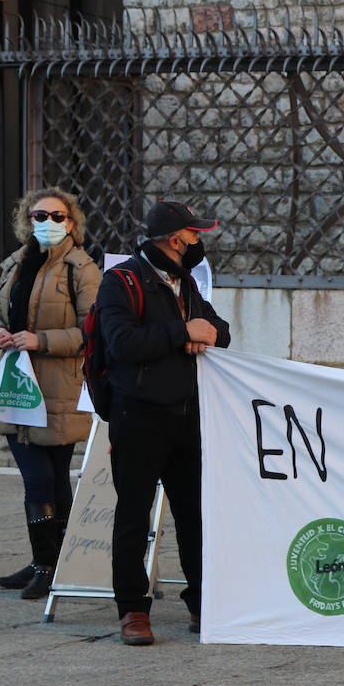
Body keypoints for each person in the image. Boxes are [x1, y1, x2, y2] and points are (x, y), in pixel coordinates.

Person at [99, 200, 230, 645]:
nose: (199, 242)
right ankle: (133, 610)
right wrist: (182, 334)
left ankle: (202, 602)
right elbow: (121, 344)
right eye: (195, 235)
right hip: (136, 414)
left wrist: (205, 331)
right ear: (176, 240)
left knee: (195, 513)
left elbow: (218, 329)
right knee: (133, 515)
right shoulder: (121, 281)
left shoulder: (188, 282)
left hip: (189, 414)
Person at [0, 188, 101, 599]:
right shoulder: (15, 264)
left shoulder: (82, 268)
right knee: (39, 477)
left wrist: (42, 340)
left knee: (49, 477)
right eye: (39, 215)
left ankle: (52, 563)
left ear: (71, 222)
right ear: (26, 220)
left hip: (60, 385)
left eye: (57, 216)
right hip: (18, 383)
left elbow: (94, 331)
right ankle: (47, 562)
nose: (47, 223)